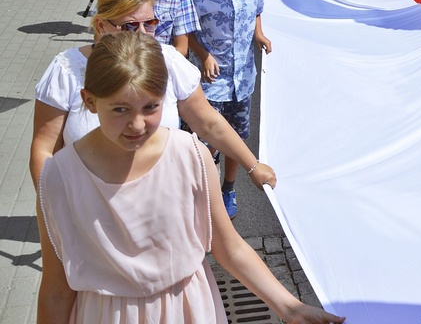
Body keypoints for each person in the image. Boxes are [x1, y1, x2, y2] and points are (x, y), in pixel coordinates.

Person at [36, 30, 345, 324]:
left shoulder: (190, 155)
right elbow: (55, 286)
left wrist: (290, 307)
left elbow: (229, 247)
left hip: (186, 308)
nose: (137, 124)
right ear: (89, 101)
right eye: (120, 109)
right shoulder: (60, 176)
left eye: (150, 107)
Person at [30, 0, 276, 195]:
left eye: (150, 23)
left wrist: (252, 165)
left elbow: (208, 122)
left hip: (158, 197)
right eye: (129, 26)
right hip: (84, 202)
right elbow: (45, 147)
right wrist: (51, 206)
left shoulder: (169, 60)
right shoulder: (67, 70)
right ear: (102, 25)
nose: (143, 34)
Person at [188, 0, 272, 219]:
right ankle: (204, 190)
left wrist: (259, 34)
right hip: (212, 82)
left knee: (235, 138)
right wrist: (203, 55)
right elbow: (186, 31)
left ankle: (228, 188)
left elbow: (257, 12)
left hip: (243, 79)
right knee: (207, 141)